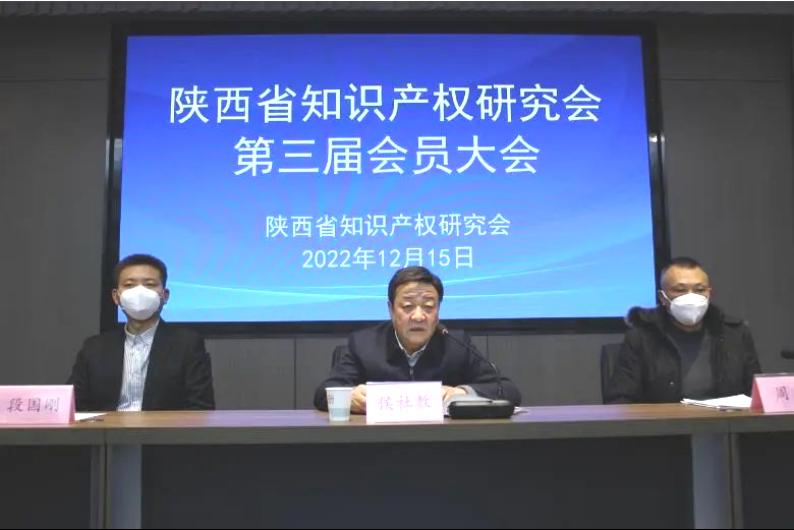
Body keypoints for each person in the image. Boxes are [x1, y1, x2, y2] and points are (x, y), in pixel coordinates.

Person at [314, 266, 521, 413]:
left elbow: (507, 391)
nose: (419, 316)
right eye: (408, 306)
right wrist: (349, 397)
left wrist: (461, 392)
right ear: (391, 309)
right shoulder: (364, 344)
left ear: (438, 311)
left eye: (429, 307)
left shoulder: (456, 344)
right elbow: (322, 394)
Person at [67, 254, 215, 411]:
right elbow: (72, 405)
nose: (139, 292)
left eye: (149, 284)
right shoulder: (94, 348)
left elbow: (201, 408)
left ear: (165, 296)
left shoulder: (187, 344)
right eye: (129, 285)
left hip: (162, 427)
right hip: (107, 427)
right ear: (116, 297)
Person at [606, 257, 761, 404]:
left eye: (699, 290)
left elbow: (757, 395)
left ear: (709, 293)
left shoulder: (735, 334)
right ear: (663, 298)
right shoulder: (641, 338)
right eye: (680, 290)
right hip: (666, 423)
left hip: (725, 422)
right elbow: (621, 400)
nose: (691, 297)